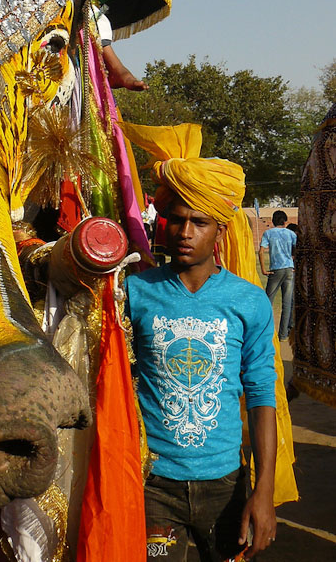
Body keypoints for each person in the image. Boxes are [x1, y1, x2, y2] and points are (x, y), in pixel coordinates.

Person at [123, 145, 278, 560]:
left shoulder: (249, 301)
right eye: (176, 219)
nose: (185, 232)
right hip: (153, 483)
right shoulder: (135, 294)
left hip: (225, 486)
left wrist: (263, 492)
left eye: (200, 222)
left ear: (220, 232)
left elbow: (261, 396)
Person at [259, 211, 296, 342]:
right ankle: (283, 334)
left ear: (273, 221)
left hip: (275, 270)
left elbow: (261, 251)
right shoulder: (291, 234)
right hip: (289, 270)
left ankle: (265, 332)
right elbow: (296, 249)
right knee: (287, 304)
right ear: (285, 221)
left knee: (268, 301)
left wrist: (263, 269)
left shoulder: (268, 233)